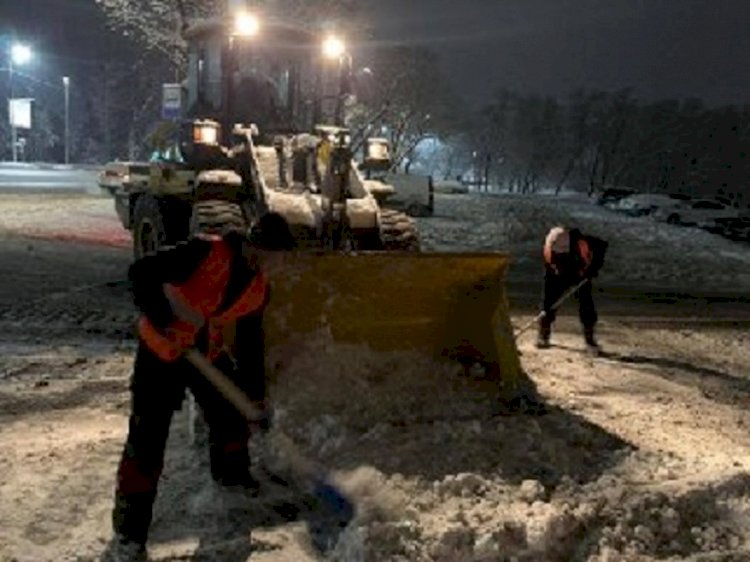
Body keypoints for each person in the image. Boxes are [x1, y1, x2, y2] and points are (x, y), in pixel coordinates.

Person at [103, 202, 295, 562]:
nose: (279, 266)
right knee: (147, 441)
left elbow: (251, 345)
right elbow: (141, 273)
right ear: (258, 247)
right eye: (277, 257)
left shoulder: (259, 289)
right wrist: (165, 319)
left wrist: (253, 397)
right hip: (160, 351)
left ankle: (231, 479)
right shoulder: (205, 251)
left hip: (203, 353)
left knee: (230, 414)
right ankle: (129, 534)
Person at [537, 226, 608, 354]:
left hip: (579, 274)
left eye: (562, 254)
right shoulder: (549, 248)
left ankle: (590, 341)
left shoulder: (583, 243)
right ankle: (543, 335)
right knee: (548, 303)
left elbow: (601, 248)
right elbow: (549, 266)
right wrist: (558, 270)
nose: (560, 256)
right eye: (558, 254)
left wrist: (593, 269)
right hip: (555, 275)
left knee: (586, 306)